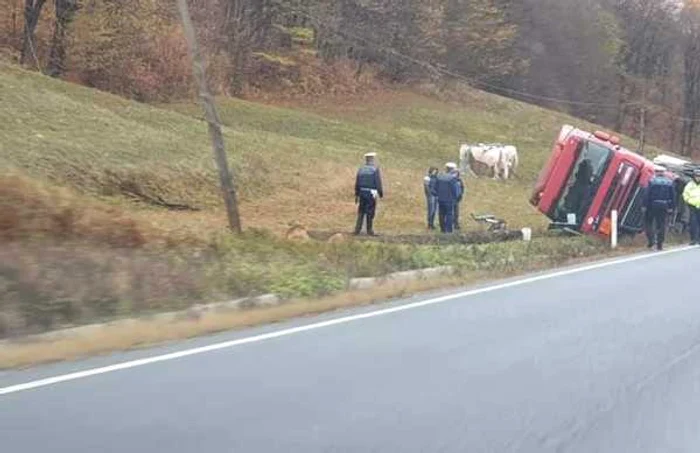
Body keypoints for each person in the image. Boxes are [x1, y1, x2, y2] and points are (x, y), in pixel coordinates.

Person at [643, 165, 676, 251]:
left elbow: (647, 194)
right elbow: (673, 196)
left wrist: (644, 205)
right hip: (664, 205)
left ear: (656, 172)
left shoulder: (651, 181)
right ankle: (660, 244)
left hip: (652, 205)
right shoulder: (669, 182)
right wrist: (671, 207)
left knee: (648, 223)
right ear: (664, 173)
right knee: (661, 224)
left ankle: (651, 240)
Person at [354, 152, 384, 235]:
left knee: (361, 211)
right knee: (370, 211)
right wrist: (380, 192)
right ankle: (369, 230)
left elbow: (357, 182)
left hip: (362, 192)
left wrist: (357, 194)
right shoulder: (375, 169)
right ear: (372, 160)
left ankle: (357, 229)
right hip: (371, 193)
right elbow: (378, 182)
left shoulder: (361, 169)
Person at [430, 162, 462, 233]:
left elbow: (434, 188)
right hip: (449, 200)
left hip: (440, 199)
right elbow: (455, 190)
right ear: (452, 170)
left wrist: (437, 195)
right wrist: (457, 197)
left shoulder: (439, 176)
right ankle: (449, 230)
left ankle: (442, 229)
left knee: (441, 214)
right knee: (449, 214)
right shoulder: (452, 179)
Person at [682, 168, 700, 245]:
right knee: (693, 223)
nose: (698, 177)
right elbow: (685, 194)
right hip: (692, 206)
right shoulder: (690, 185)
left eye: (699, 176)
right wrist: (688, 201)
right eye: (696, 176)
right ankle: (693, 239)